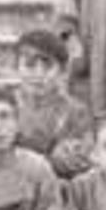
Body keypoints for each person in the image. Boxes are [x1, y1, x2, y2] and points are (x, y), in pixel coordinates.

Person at [13, 29, 91, 178]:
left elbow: (82, 159)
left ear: (62, 71)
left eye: (47, 67)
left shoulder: (76, 111)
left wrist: (64, 156)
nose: (38, 74)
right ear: (16, 68)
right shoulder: (4, 107)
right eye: (30, 65)